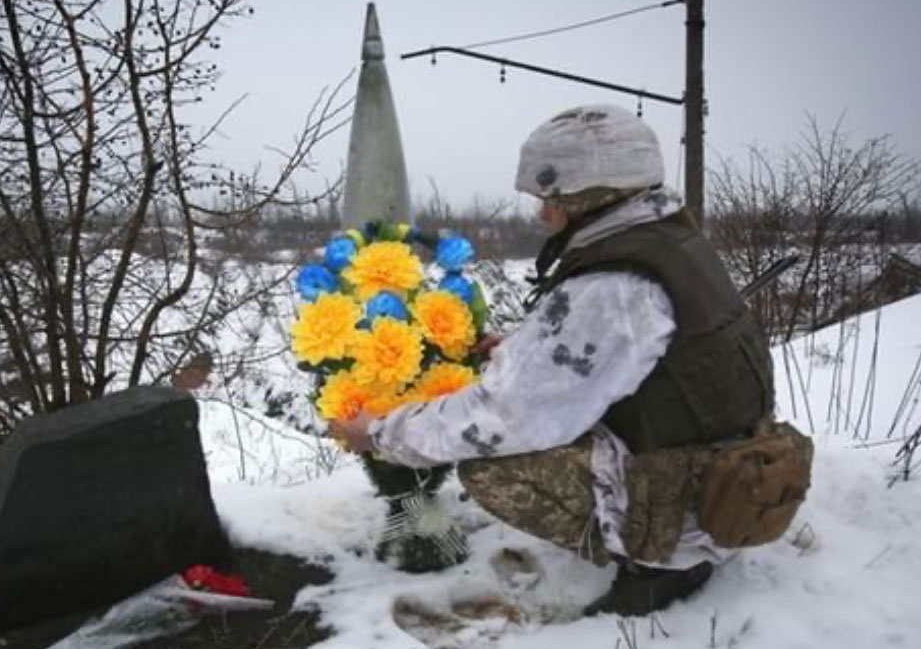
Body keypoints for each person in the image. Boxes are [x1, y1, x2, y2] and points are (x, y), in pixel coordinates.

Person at [330, 103, 782, 617]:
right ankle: (668, 538)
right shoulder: (671, 242)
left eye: (551, 198)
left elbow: (502, 418)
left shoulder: (613, 285)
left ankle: (659, 563)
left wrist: (381, 433)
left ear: (592, 199)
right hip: (733, 472)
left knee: (491, 465)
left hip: (696, 507)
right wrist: (523, 350)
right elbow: (635, 357)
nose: (542, 213)